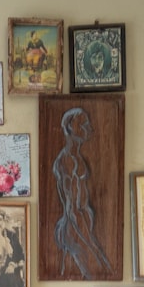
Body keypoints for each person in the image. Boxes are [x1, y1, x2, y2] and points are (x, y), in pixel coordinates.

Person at [52, 107, 112, 278]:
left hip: (79, 226)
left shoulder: (75, 158)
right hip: (76, 228)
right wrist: (91, 243)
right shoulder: (68, 161)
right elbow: (73, 209)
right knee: (98, 270)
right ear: (71, 128)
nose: (90, 128)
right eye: (84, 125)